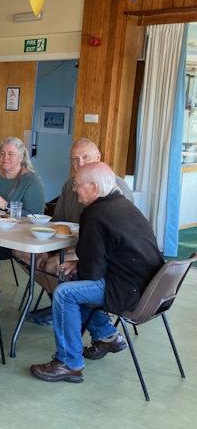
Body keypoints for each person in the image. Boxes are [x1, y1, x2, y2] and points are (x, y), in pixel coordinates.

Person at [30, 162, 163, 383]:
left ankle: (68, 362)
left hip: (127, 290)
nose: (74, 189)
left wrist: (79, 266)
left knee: (65, 293)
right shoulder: (122, 204)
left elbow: (92, 273)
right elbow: (109, 255)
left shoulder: (95, 213)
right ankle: (105, 335)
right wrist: (81, 265)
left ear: (93, 187)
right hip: (150, 286)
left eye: (77, 184)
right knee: (76, 282)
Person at [15, 138, 134, 306]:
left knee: (54, 265)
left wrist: (56, 255)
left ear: (98, 157)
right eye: (75, 159)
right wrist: (46, 249)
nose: (81, 163)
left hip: (94, 249)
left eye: (86, 157)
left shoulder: (114, 186)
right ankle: (58, 301)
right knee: (22, 253)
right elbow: (58, 222)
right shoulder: (69, 185)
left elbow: (115, 237)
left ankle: (68, 308)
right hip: (65, 244)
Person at [0, 136, 45, 289]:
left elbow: (35, 217)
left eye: (10, 154)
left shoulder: (31, 181)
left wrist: (5, 205)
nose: (5, 157)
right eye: (2, 153)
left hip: (16, 238)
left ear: (21, 157)